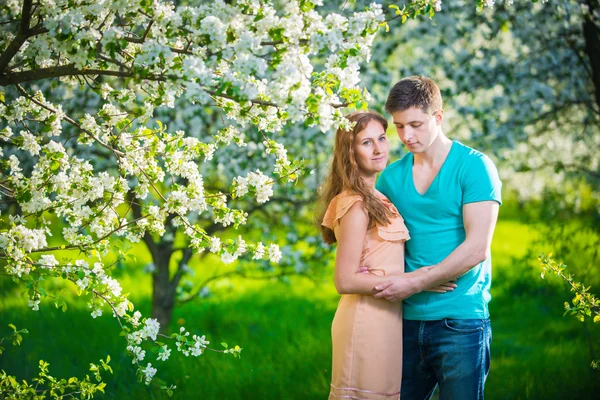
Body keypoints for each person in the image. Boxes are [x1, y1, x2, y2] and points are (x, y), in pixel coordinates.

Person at [374, 76, 502, 400]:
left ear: (439, 117)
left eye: (416, 124)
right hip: (403, 320)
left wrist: (418, 281)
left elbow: (476, 249)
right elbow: (374, 246)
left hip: (460, 320)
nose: (406, 135)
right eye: (399, 126)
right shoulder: (390, 178)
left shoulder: (475, 167)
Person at [317, 110, 456, 400]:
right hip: (363, 323)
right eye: (367, 142)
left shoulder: (378, 197)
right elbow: (345, 281)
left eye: (381, 138)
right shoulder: (355, 204)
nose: (379, 148)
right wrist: (419, 278)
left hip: (387, 322)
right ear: (349, 151)